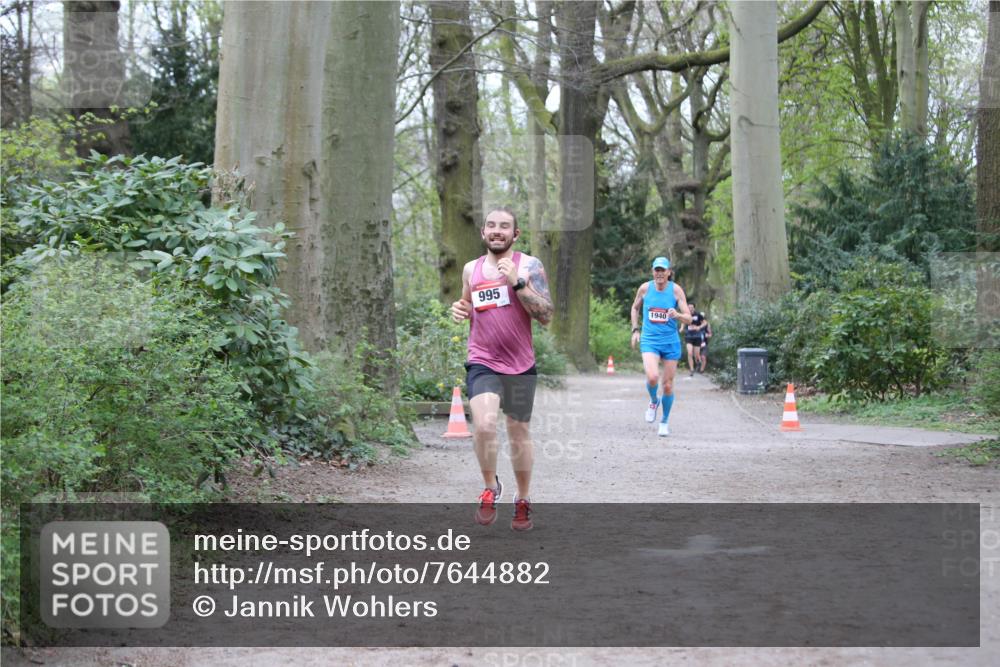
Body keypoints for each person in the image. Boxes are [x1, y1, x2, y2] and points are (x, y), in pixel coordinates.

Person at [451, 207, 553, 531]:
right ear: (483, 233)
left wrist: (517, 283)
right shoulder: (471, 269)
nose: (497, 231)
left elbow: (546, 315)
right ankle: (490, 487)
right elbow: (469, 305)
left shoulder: (530, 266)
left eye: (504, 227)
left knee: (518, 432)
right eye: (491, 226)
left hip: (521, 363)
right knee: (483, 425)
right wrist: (460, 310)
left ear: (515, 234)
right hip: (482, 360)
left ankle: (522, 499)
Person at [630, 257, 692, 437]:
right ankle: (653, 401)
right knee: (652, 377)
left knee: (667, 385)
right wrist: (635, 329)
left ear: (668, 272)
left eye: (662, 270)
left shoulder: (676, 290)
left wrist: (678, 315)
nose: (659, 273)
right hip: (650, 340)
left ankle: (664, 421)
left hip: (670, 342)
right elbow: (635, 309)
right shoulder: (645, 288)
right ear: (652, 272)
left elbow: (688, 318)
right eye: (656, 270)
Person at [684, 300, 707, 378]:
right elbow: (683, 322)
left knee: (696, 355)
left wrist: (699, 327)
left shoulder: (698, 315)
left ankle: (699, 362)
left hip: (697, 336)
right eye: (689, 307)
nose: (690, 309)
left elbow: (705, 323)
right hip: (689, 336)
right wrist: (681, 328)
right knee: (689, 352)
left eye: (691, 307)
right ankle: (691, 369)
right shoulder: (686, 314)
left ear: (694, 308)